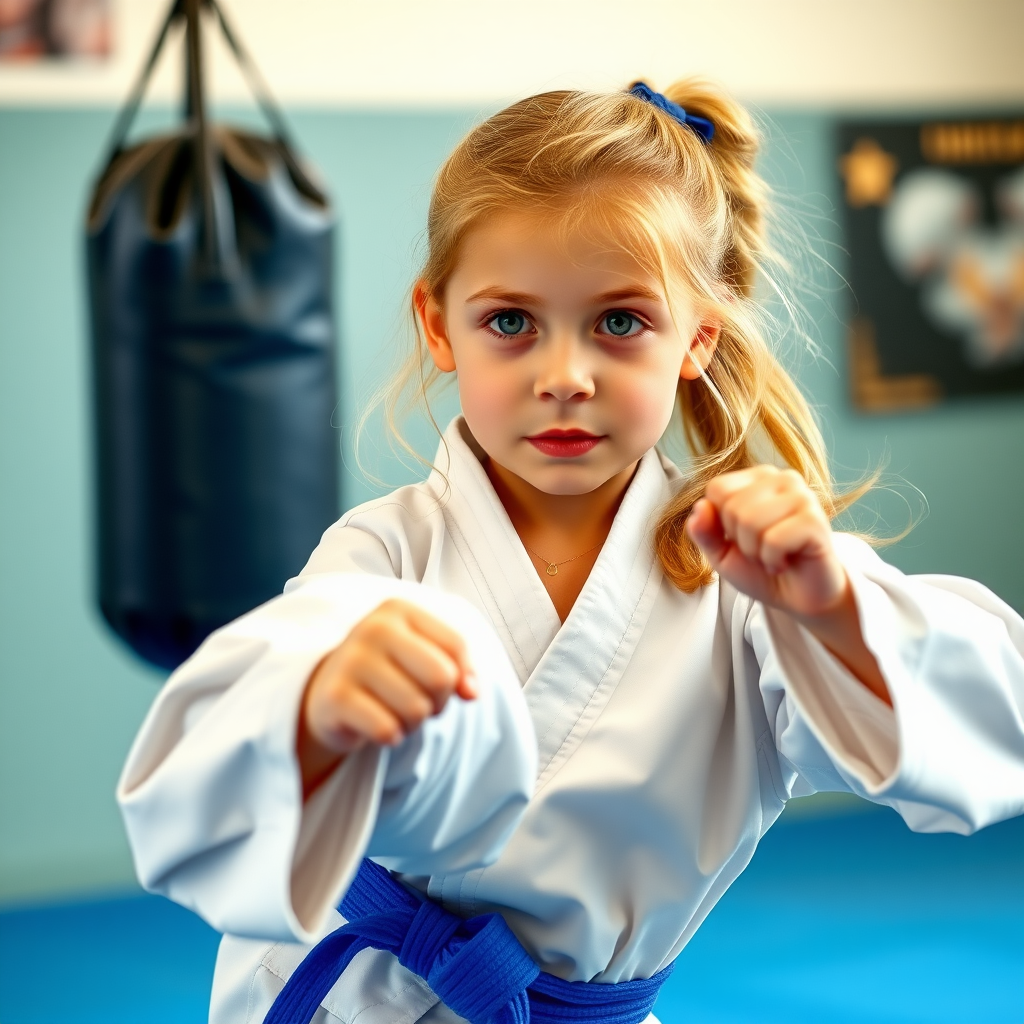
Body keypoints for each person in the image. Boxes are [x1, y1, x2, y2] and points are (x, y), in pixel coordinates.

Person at [118, 80, 1024, 1024]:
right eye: (510, 322)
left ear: (695, 339)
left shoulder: (751, 582)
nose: (564, 377)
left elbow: (996, 723)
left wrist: (832, 609)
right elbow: (234, 743)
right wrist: (322, 705)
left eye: (620, 322)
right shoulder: (386, 552)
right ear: (440, 326)